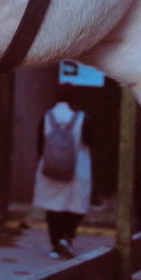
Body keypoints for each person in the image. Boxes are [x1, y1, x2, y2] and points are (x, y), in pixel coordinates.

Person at [33, 98, 93, 259]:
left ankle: (56, 244)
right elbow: (90, 141)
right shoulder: (82, 118)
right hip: (77, 168)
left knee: (52, 206)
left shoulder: (46, 117)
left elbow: (40, 143)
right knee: (76, 205)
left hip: (50, 167)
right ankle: (67, 237)